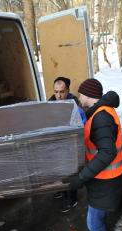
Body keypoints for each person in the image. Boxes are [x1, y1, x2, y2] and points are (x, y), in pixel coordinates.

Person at [63, 78, 122, 231]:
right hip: (105, 180)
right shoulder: (101, 112)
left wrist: (81, 177)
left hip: (106, 182)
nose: (78, 96)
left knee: (93, 223)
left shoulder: (101, 117)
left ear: (87, 95)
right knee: (97, 219)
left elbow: (107, 152)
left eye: (80, 93)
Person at [49, 76, 86, 212]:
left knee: (70, 174)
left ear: (68, 91)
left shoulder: (76, 108)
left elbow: (83, 129)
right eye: (56, 92)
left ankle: (72, 199)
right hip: (55, 147)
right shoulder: (49, 106)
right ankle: (62, 191)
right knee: (59, 172)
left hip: (70, 148)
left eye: (62, 92)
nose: (58, 95)